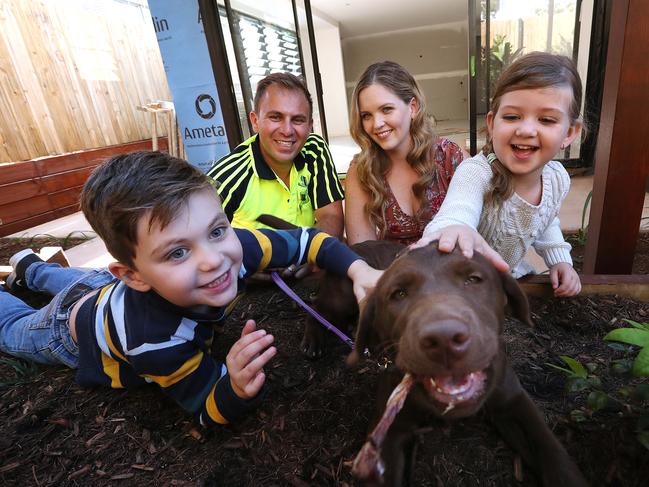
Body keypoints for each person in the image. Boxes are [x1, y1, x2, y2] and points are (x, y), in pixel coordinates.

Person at [0, 151, 382, 428]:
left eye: (217, 230)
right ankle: (22, 281)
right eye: (178, 251)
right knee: (13, 326)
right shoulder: (156, 342)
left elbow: (309, 241)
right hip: (67, 330)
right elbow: (205, 409)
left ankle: (28, 267)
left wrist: (360, 269)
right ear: (133, 274)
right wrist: (233, 387)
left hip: (100, 287)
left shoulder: (234, 250)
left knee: (68, 279)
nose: (213, 259)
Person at [421, 52, 583, 297]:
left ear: (570, 132)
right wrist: (455, 227)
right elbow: (458, 209)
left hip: (508, 279)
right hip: (459, 289)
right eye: (512, 117)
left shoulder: (557, 178)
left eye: (546, 120)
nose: (526, 129)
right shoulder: (477, 173)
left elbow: (546, 219)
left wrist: (560, 260)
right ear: (492, 123)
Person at [344, 60, 467, 247]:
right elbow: (364, 251)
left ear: (413, 107)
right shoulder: (362, 170)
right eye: (366, 115)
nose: (376, 124)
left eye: (386, 109)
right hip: (389, 272)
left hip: (448, 270)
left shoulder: (451, 157)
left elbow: (474, 233)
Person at [207, 72, 344, 239]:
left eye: (298, 120)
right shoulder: (228, 176)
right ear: (255, 121)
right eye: (275, 117)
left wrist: (315, 255)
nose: (287, 131)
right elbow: (201, 242)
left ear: (310, 125)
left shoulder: (314, 149)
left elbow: (331, 215)